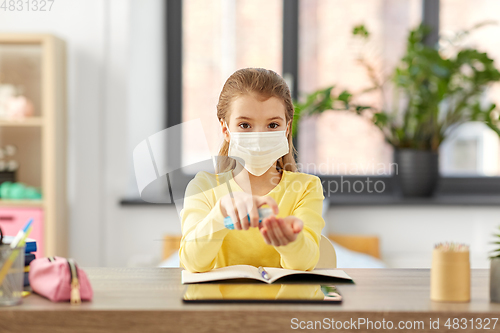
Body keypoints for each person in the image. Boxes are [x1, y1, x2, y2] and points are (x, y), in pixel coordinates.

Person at [179, 68, 325, 273]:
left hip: (283, 304)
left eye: (273, 125)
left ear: (287, 129)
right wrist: (220, 213)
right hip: (218, 304)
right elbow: (192, 262)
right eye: (245, 125)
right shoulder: (203, 186)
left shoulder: (306, 187)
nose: (258, 137)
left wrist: (291, 240)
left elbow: (305, 263)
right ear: (225, 130)